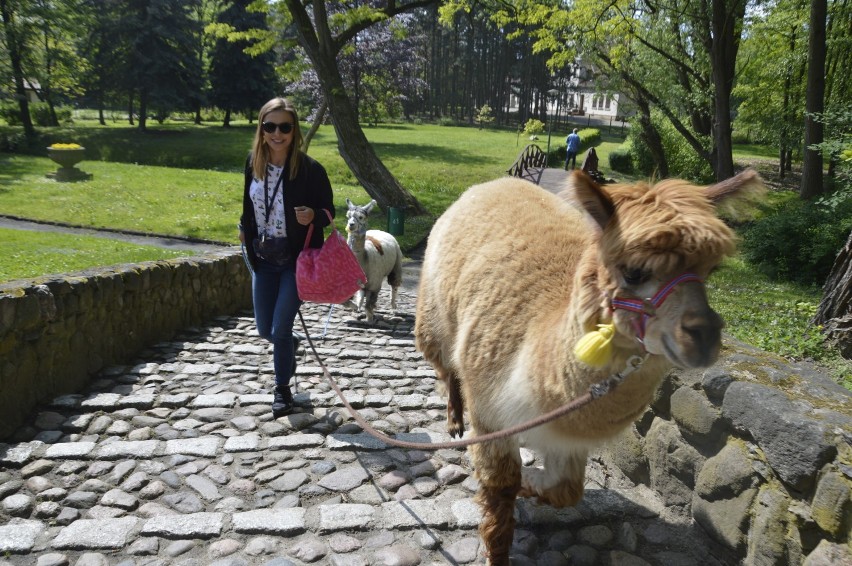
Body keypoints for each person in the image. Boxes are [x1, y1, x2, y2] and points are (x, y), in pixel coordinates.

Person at [239, 97, 335, 418]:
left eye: (284, 127)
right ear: (261, 129)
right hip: (264, 259)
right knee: (265, 330)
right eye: (270, 126)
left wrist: (313, 216)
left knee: (279, 328)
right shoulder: (253, 162)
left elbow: (328, 212)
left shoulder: (310, 170)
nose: (277, 133)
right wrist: (245, 230)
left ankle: (282, 390)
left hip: (297, 260)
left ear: (294, 131)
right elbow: (247, 207)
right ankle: (289, 344)